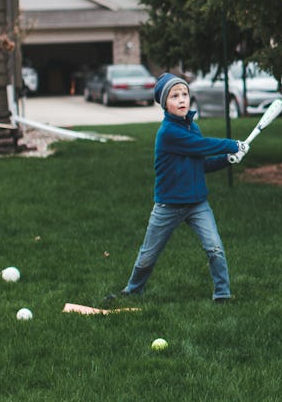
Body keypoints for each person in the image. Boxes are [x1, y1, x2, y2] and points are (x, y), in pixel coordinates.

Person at [106, 72, 249, 304]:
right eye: (175, 96)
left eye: (185, 94)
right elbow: (201, 146)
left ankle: (222, 294)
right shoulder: (169, 133)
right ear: (165, 103)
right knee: (148, 255)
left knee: (215, 248)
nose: (182, 99)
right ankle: (132, 291)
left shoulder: (193, 127)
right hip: (168, 204)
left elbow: (200, 163)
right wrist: (232, 145)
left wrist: (227, 159)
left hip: (197, 204)